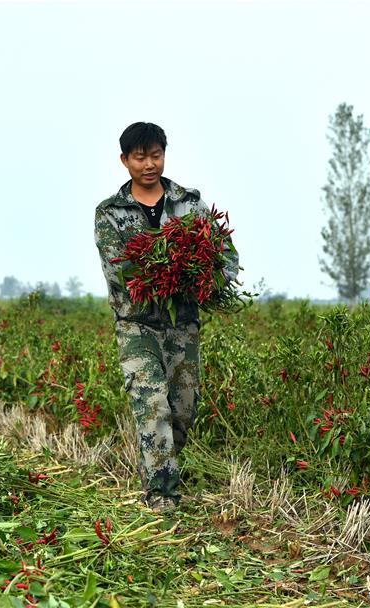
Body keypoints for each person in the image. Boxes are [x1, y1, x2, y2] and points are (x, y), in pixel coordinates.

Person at [94, 122, 239, 513]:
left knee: (183, 409)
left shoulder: (190, 203)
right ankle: (162, 498)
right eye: (140, 157)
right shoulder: (109, 213)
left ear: (164, 154)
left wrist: (205, 278)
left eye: (156, 154)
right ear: (124, 160)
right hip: (137, 325)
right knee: (152, 406)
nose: (149, 164)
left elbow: (225, 257)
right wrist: (167, 273)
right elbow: (122, 269)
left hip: (183, 325)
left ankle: (165, 472)